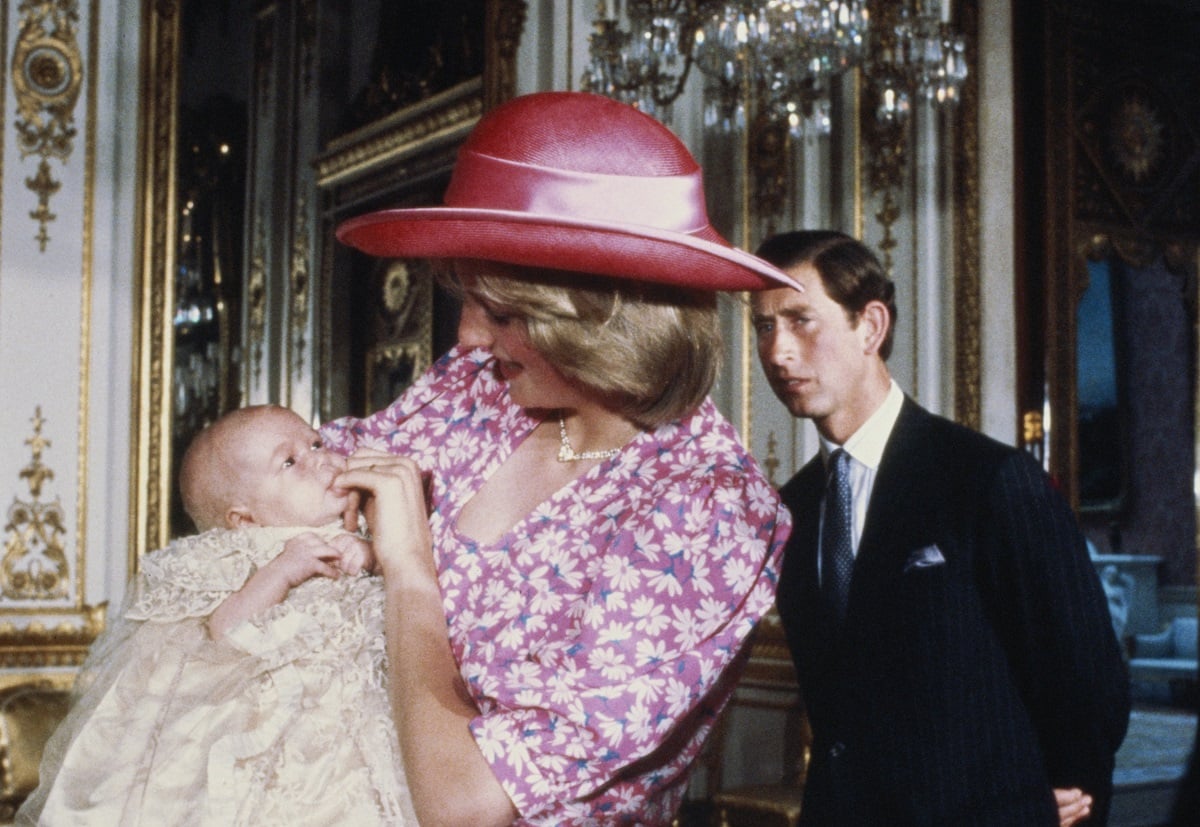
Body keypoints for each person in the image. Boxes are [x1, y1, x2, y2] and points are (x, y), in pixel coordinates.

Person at [320, 90, 797, 826]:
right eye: (472, 303)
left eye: (503, 313)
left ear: (601, 317)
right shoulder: (475, 392)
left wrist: (409, 567)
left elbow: (464, 803)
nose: (471, 339)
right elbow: (296, 485)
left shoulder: (707, 513)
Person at [750, 230, 1131, 826]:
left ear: (871, 327)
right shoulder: (793, 508)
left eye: (800, 320)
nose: (777, 352)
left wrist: (1049, 804)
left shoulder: (989, 480)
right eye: (764, 327)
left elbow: (1087, 688)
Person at [17, 405, 417, 826]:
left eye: (316, 442)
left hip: (361, 710)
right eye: (289, 461)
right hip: (283, 721)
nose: (320, 458)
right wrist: (280, 571)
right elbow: (225, 630)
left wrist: (372, 553)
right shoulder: (245, 556)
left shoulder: (371, 520)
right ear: (245, 519)